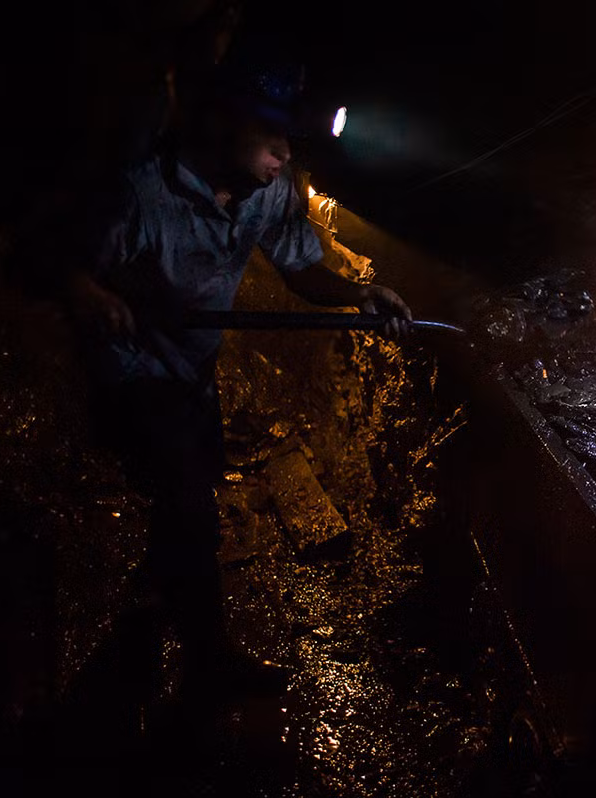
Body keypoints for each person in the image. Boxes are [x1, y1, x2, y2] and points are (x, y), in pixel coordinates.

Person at [61, 49, 413, 712]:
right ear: (225, 125)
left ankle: (142, 618)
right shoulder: (142, 194)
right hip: (135, 371)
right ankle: (205, 666)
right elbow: (64, 264)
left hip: (194, 367)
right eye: (271, 136)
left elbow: (301, 269)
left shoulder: (272, 193)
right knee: (191, 512)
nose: (284, 152)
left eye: (289, 138)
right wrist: (88, 294)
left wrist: (359, 296)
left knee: (187, 511)